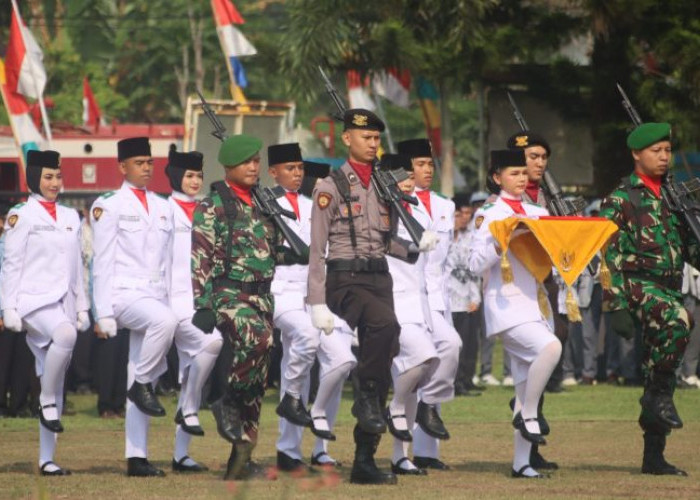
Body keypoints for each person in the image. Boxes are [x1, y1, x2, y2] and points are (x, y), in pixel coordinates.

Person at [307, 109, 437, 485]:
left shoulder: (384, 185)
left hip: (380, 277)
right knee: (385, 324)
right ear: (347, 139)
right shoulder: (330, 187)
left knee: (383, 359)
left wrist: (414, 248)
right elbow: (317, 249)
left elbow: (383, 241)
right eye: (365, 137)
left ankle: (365, 459)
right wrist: (316, 301)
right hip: (344, 279)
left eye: (377, 138)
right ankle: (364, 399)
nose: (373, 143)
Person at [191, 134, 304, 480]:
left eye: (256, 161)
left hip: (262, 296)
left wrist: (294, 255)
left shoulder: (263, 202)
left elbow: (269, 250)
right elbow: (201, 257)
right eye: (246, 162)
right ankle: (222, 397)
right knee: (260, 340)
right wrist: (203, 303)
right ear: (228, 166)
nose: (254, 167)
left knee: (257, 382)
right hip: (229, 295)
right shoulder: (213, 205)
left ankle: (240, 461)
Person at [601, 122, 699, 476]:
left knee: (662, 371)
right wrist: (614, 305)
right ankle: (655, 397)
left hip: (670, 285)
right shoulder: (621, 198)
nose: (663, 156)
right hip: (637, 285)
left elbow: (689, 250)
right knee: (680, 320)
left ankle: (653, 455)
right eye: (655, 151)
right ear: (636, 154)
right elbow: (606, 254)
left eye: (667, 150)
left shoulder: (672, 198)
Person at [469, 149, 561, 479]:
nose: (522, 178)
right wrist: (501, 240)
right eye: (514, 173)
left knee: (523, 384)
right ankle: (529, 414)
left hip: (537, 303)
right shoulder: (490, 213)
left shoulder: (538, 210)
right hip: (506, 305)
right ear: (497, 178)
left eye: (524, 172)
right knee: (551, 349)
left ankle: (521, 463)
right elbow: (473, 263)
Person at [91, 137, 178, 477]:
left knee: (138, 376)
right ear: (122, 167)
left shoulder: (163, 205)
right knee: (164, 325)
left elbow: (169, 261)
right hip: (123, 294)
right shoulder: (108, 204)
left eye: (149, 162)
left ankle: (136, 457)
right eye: (139, 162)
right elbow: (101, 261)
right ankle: (141, 383)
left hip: (155, 295)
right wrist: (103, 312)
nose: (146, 168)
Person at [1, 150, 90, 476]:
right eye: (48, 177)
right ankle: (47, 400)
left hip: (63, 304)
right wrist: (8, 307)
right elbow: (11, 265)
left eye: (58, 176)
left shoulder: (70, 217)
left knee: (57, 369)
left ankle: (47, 459)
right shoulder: (21, 215)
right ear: (34, 178)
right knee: (64, 337)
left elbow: (78, 267)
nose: (54, 182)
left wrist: (82, 306)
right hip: (33, 302)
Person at [269, 143, 357, 473]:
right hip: (282, 293)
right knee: (301, 355)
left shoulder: (315, 206)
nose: (297, 174)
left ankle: (320, 436)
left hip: (315, 296)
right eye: (290, 168)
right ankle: (289, 449)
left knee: (342, 359)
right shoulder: (267, 205)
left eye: (299, 169)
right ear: (274, 171)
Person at [397, 138, 462, 471]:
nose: (425, 171)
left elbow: (445, 257)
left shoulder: (445, 204)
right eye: (419, 165)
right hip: (404, 295)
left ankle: (427, 450)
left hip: (437, 295)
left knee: (447, 352)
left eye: (429, 164)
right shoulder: (395, 203)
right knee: (411, 369)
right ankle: (402, 454)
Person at [165, 150, 224, 473]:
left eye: (199, 176)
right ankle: (189, 407)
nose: (195, 181)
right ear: (175, 177)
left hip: (202, 298)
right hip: (172, 299)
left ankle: (181, 454)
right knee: (211, 343)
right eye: (189, 176)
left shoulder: (208, 209)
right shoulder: (164, 210)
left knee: (192, 371)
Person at [382, 153, 439, 476]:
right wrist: (415, 246)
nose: (408, 180)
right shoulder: (381, 211)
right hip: (392, 302)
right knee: (423, 358)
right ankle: (394, 407)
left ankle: (400, 455)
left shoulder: (415, 209)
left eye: (409, 175)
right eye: (400, 176)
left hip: (420, 305)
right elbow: (387, 244)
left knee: (416, 379)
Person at [447, 193, 483, 397]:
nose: (465, 218)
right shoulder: (445, 236)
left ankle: (466, 379)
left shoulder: (470, 238)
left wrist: (475, 297)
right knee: (455, 344)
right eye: (461, 214)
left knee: (470, 343)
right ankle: (454, 381)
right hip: (449, 299)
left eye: (468, 214)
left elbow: (473, 271)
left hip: (466, 298)